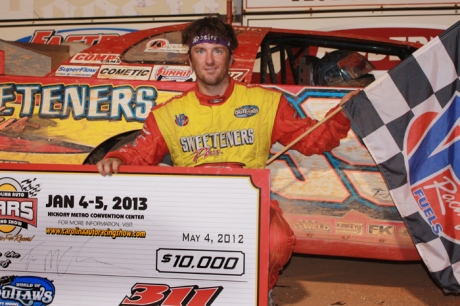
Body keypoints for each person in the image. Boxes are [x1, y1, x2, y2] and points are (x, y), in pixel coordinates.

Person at [97, 16, 357, 303]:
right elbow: (138, 152)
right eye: (200, 51)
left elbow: (313, 140)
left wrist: (341, 115)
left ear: (231, 57)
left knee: (276, 240)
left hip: (248, 207)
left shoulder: (265, 103)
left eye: (217, 51)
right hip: (189, 209)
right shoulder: (168, 113)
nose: (209, 61)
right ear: (190, 59)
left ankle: (260, 291)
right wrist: (117, 158)